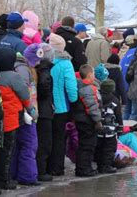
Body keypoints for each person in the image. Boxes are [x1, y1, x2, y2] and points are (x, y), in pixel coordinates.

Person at [0, 47, 32, 190]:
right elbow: (24, 95)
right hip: (10, 119)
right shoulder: (13, 77)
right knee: (7, 151)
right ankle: (3, 180)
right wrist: (31, 109)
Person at [49, 33, 78, 176]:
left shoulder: (43, 61)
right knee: (60, 138)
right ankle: (57, 167)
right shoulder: (66, 63)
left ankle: (46, 166)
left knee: (47, 137)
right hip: (61, 107)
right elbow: (71, 88)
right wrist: (74, 101)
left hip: (45, 106)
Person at [11, 45, 41, 186]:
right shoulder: (24, 69)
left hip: (21, 112)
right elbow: (23, 92)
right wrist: (31, 111)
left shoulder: (19, 66)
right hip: (26, 114)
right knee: (29, 144)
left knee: (19, 144)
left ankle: (15, 174)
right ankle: (28, 176)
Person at [72, 65, 102, 177]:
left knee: (83, 145)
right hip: (87, 121)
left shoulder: (78, 86)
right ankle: (84, 169)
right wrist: (98, 121)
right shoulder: (89, 89)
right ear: (90, 75)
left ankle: (82, 167)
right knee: (88, 146)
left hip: (80, 119)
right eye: (93, 74)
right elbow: (93, 106)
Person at [34, 43, 55, 182]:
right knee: (45, 141)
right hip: (44, 110)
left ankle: (40, 169)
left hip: (40, 109)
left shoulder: (38, 68)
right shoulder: (45, 70)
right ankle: (42, 170)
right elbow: (44, 88)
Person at [95, 79, 122, 174]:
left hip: (98, 128)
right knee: (109, 149)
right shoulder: (115, 100)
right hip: (110, 130)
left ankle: (99, 165)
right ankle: (106, 166)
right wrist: (120, 129)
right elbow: (119, 116)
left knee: (98, 148)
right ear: (112, 89)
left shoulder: (97, 97)